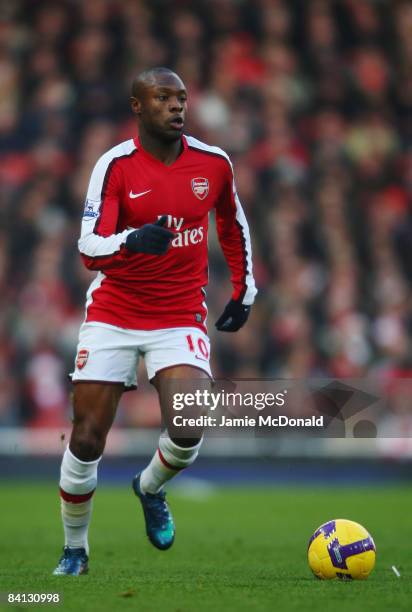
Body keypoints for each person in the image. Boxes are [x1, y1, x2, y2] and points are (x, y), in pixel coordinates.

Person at [53, 67, 257, 575]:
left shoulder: (213, 163)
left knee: (189, 422)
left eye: (182, 97)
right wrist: (131, 240)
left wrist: (245, 290)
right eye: (163, 97)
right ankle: (75, 550)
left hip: (178, 313)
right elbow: (87, 246)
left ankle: (148, 487)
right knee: (85, 439)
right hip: (115, 311)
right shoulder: (115, 166)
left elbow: (232, 223)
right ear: (138, 107)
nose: (176, 106)